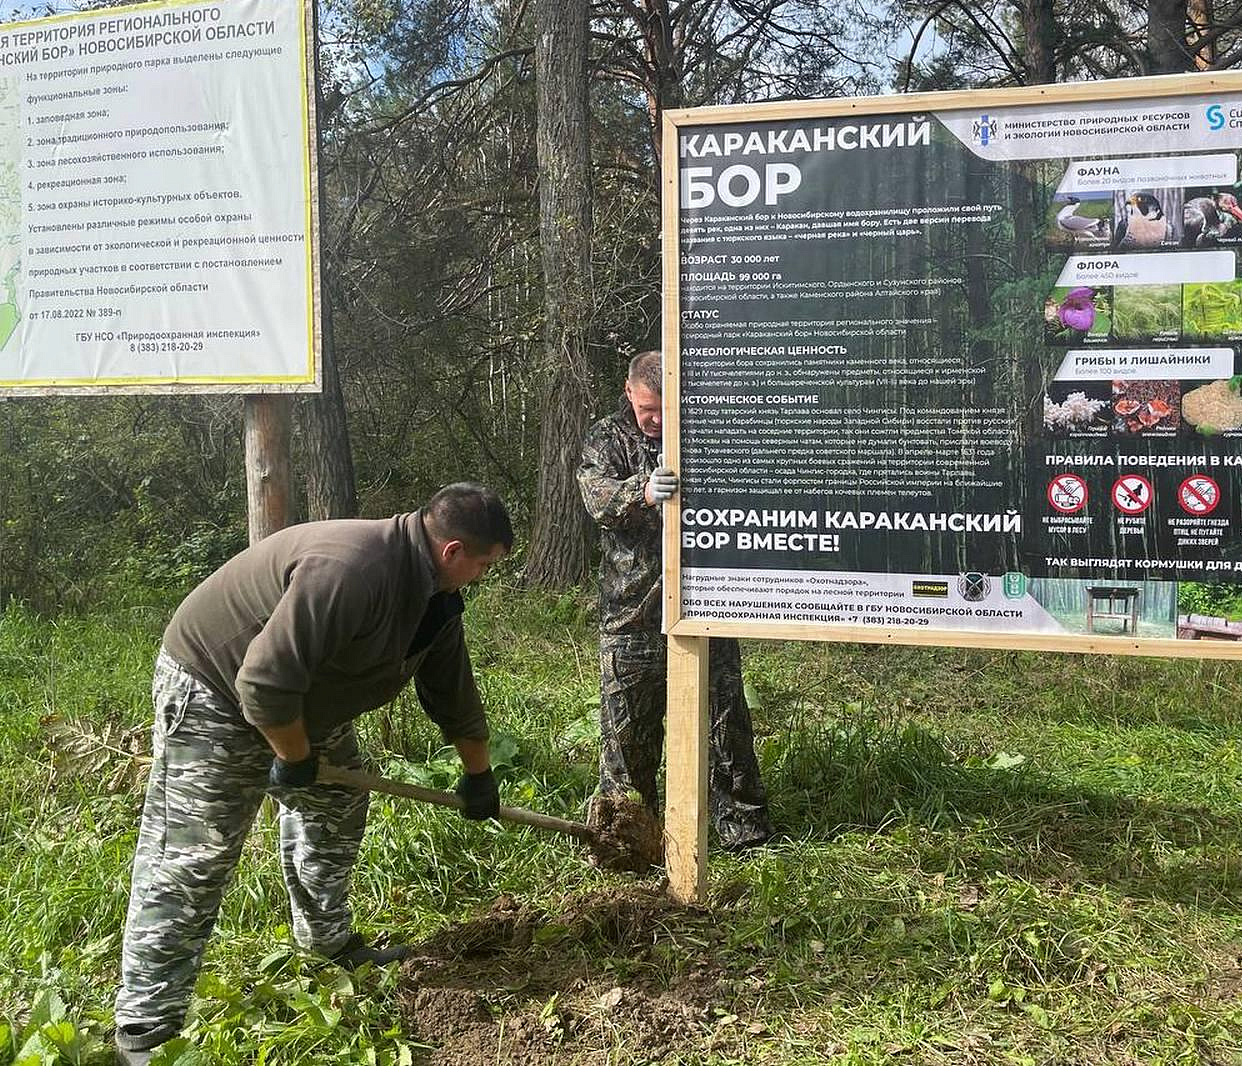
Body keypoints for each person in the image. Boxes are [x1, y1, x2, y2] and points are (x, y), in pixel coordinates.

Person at [112, 483, 513, 1065]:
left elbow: (453, 693)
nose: (483, 575)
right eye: (485, 564)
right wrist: (294, 757)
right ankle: (144, 1031)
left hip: (304, 700)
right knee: (193, 861)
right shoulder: (352, 570)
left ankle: (327, 943)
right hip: (216, 691)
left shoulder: (435, 593)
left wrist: (479, 776)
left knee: (337, 809)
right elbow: (263, 683)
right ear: (452, 550)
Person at [577, 350, 772, 850]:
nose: (659, 421)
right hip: (632, 615)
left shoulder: (701, 432)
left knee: (724, 722)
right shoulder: (608, 436)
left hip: (705, 602)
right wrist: (641, 492)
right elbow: (596, 497)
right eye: (649, 411)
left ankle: (740, 830)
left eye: (668, 409)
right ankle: (627, 838)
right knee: (626, 736)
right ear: (629, 394)